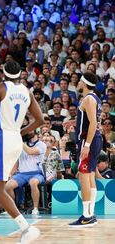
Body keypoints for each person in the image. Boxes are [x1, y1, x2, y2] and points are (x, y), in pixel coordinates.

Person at [0, 60, 45, 244]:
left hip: (2, 138)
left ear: (3, 74)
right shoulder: (26, 92)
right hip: (15, 139)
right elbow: (40, 120)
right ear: (20, 74)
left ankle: (26, 228)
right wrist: (21, 132)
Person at [69, 71, 102, 227]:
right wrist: (73, 123)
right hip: (94, 139)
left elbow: (93, 124)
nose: (78, 84)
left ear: (84, 83)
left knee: (83, 176)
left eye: (80, 81)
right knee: (89, 176)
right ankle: (90, 214)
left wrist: (86, 145)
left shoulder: (88, 99)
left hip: (88, 140)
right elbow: (88, 122)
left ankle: (86, 216)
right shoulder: (94, 98)